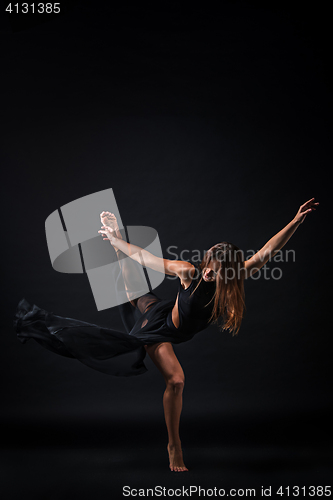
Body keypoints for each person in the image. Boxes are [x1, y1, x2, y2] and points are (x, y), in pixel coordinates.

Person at [14, 198, 318, 472]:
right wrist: (120, 243)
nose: (214, 274)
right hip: (159, 329)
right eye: (211, 268)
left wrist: (295, 221)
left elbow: (266, 253)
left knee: (135, 290)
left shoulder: (235, 277)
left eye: (221, 270)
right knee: (176, 380)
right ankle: (174, 446)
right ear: (206, 263)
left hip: (158, 310)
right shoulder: (188, 272)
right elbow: (148, 259)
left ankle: (116, 237)